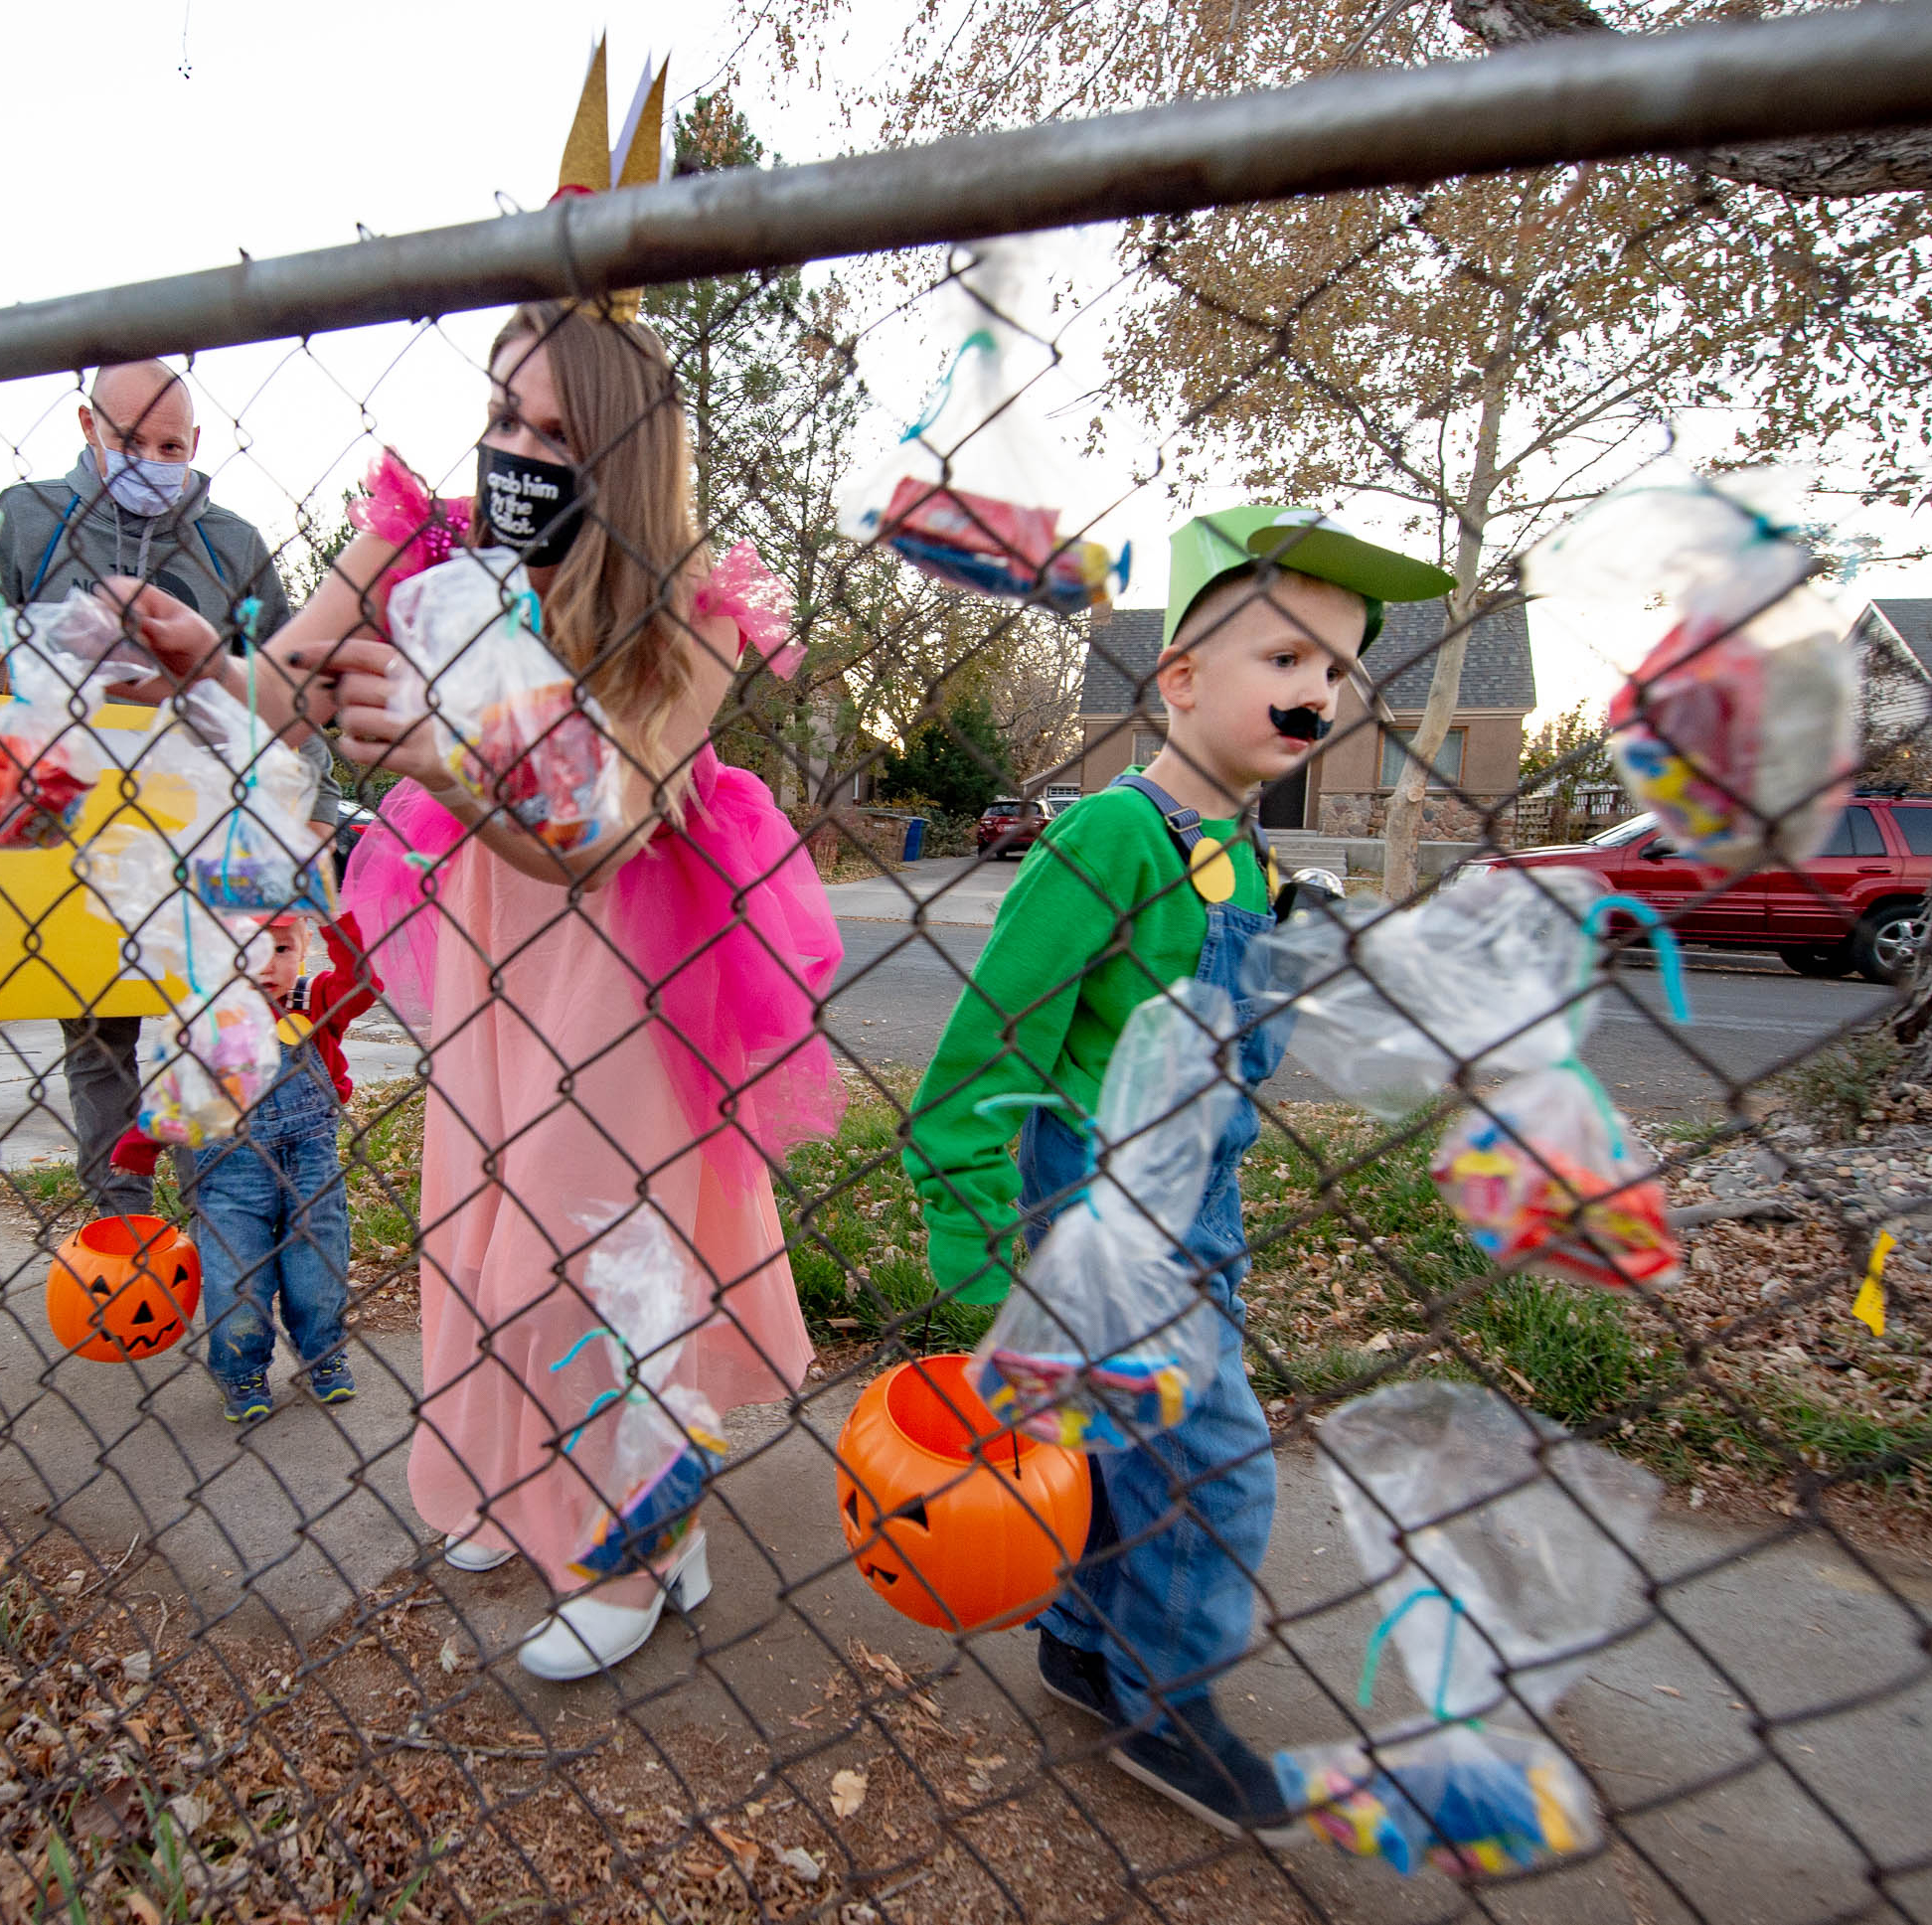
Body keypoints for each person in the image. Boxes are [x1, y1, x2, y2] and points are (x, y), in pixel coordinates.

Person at [111, 301, 842, 1681]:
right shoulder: (433, 532)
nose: (516, 449)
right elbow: (284, 684)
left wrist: (445, 759)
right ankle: (588, 1501)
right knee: (480, 1219)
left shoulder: (688, 599)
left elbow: (605, 834)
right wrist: (205, 660)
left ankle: (622, 1553)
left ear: (624, 454)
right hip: (489, 928)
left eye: (555, 432)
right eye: (503, 416)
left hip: (627, 942)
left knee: (583, 1249)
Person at [901, 507, 1454, 1842]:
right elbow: (992, 1042)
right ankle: (1169, 1706)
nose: (1316, 693)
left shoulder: (1249, 858)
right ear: (1182, 679)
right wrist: (983, 1237)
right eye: (1284, 658)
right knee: (1217, 1465)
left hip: (1199, 1200)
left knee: (1121, 1447)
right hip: (1104, 1211)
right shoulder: (1110, 837)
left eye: (1333, 670)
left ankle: (1087, 1643)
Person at [0, 359, 328, 1221]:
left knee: (220, 1011)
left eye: (168, 444)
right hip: (74, 815)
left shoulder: (232, 544)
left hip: (207, 815)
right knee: (99, 1033)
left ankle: (226, 1220)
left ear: (197, 444)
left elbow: (291, 688)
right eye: (128, 439)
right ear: (87, 426)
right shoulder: (26, 522)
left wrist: (301, 802)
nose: (148, 459)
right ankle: (124, 1221)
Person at [136, 910, 381, 1423]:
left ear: (305, 946)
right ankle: (241, 1369)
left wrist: (339, 923)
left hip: (311, 1168)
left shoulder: (312, 1001)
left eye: (282, 950)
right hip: (230, 1175)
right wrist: (138, 1150)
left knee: (316, 1270)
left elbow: (361, 986)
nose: (264, 966)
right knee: (235, 1278)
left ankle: (323, 1353)